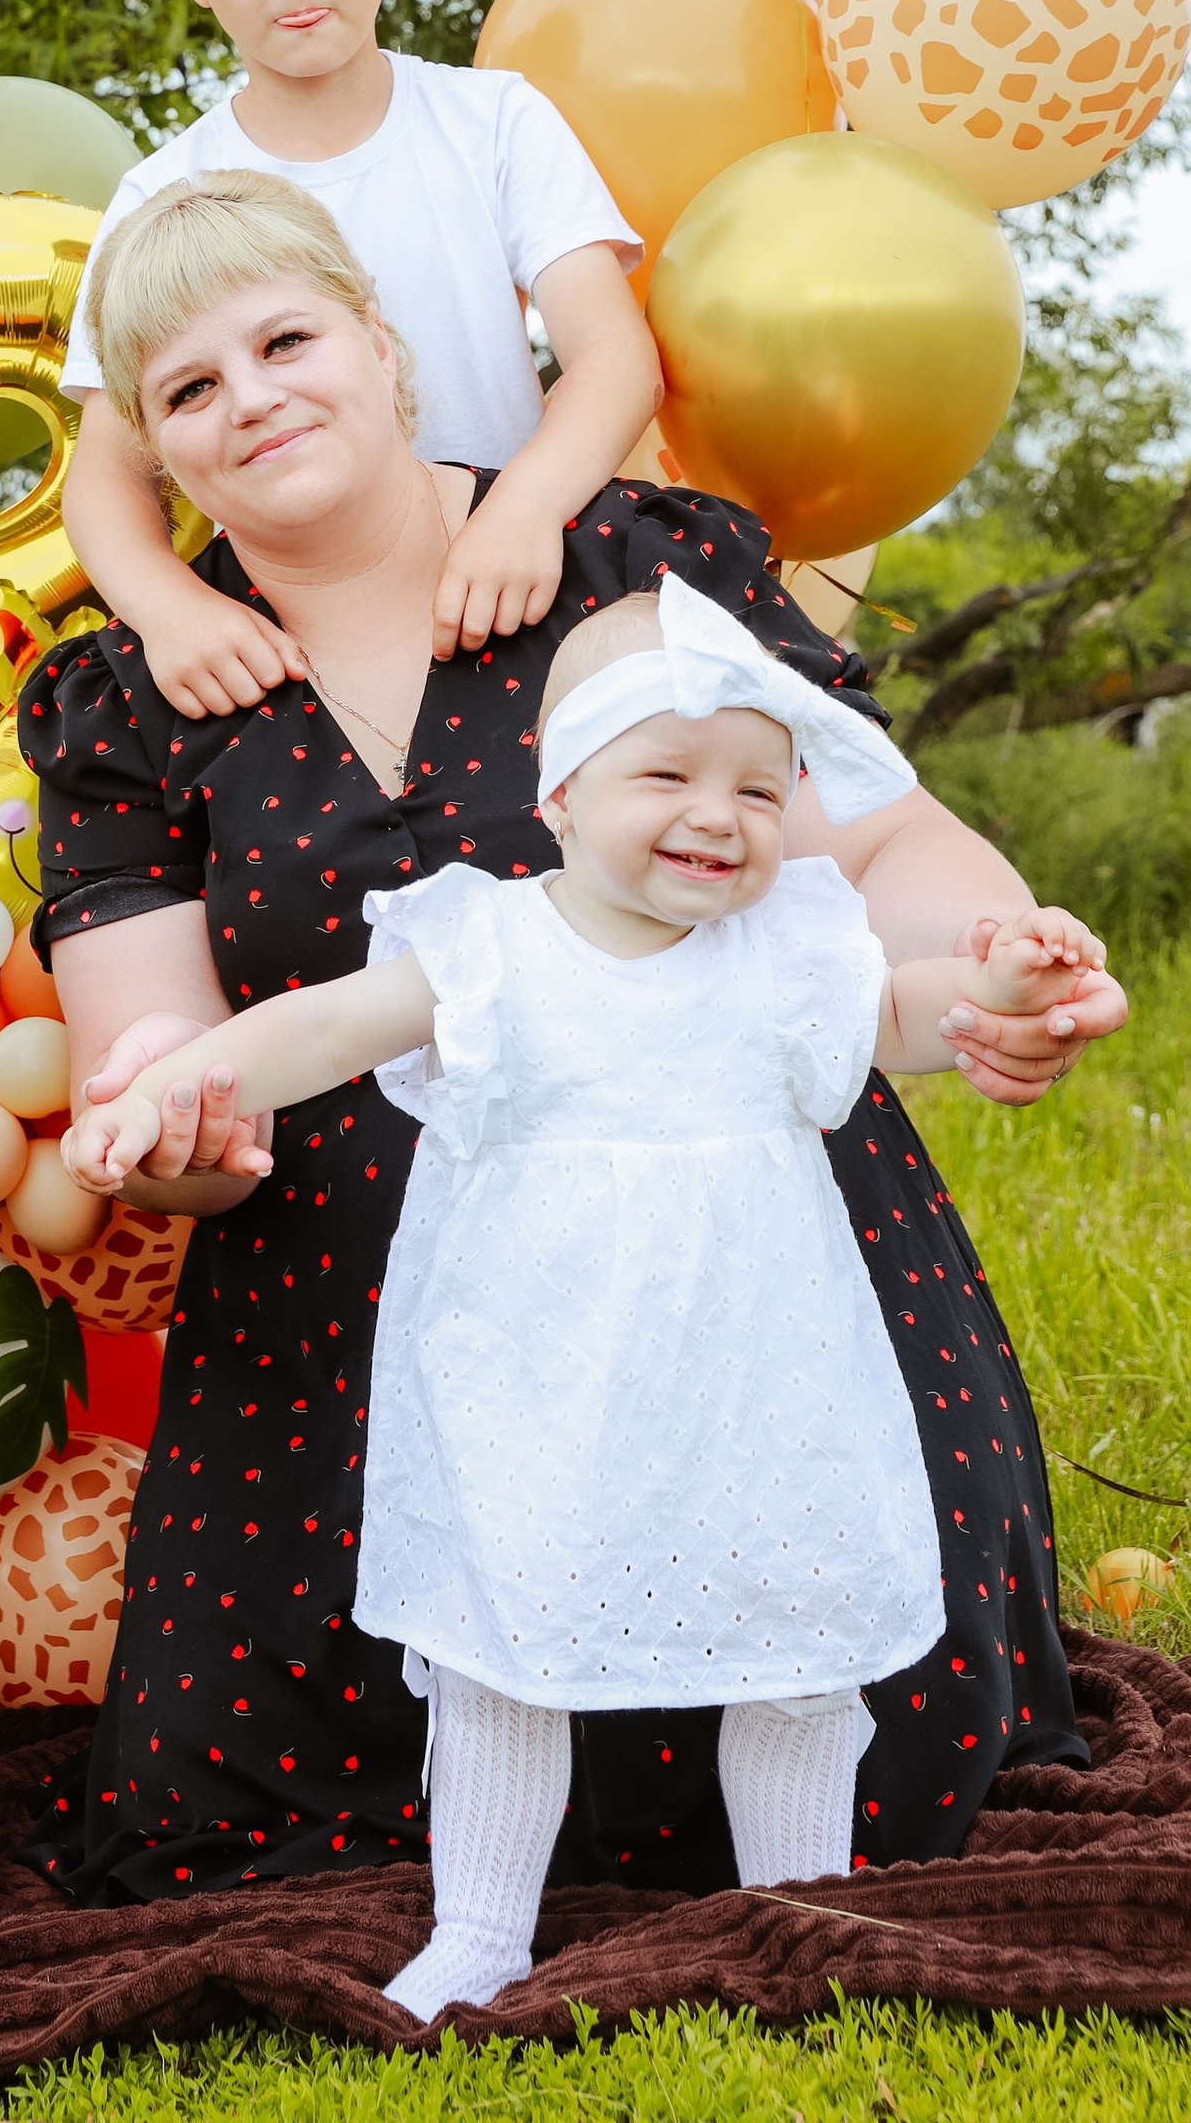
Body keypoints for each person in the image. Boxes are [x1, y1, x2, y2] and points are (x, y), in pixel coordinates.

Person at [21, 173, 1126, 1906]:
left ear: (381, 343)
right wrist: (182, 1134)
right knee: (265, 1801)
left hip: (733, 1261)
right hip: (364, 1321)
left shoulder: (631, 565)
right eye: (191, 387)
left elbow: (882, 843)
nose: (253, 399)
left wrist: (996, 962)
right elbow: (160, 1027)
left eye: (287, 340)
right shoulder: (132, 697)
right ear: (155, 449)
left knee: (855, 1712)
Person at [66, 570, 1111, 2015]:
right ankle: (482, 1928)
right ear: (559, 793)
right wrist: (170, 1084)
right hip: (538, 1381)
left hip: (760, 1378)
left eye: (758, 790)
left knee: (797, 1647)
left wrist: (1005, 988)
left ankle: (800, 1908)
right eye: (667, 775)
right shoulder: (487, 949)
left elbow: (902, 1015)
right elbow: (316, 1030)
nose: (718, 816)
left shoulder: (787, 950)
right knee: (503, 1655)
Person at [58, 0, 660, 710]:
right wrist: (171, 611)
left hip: (515, 589)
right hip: (306, 652)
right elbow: (106, 475)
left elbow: (614, 357)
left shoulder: (494, 120)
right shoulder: (160, 195)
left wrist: (524, 511)